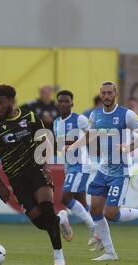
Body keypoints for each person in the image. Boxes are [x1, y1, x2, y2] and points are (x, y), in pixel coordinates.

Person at [0, 84, 72, 265]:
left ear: (11, 101)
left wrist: (45, 165)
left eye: (1, 103)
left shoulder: (29, 117)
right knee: (41, 222)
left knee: (47, 207)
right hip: (15, 178)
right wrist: (0, 184)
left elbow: (44, 139)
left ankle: (59, 258)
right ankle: (61, 218)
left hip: (36, 169)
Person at [67, 81, 138, 261]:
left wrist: (129, 146)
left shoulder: (127, 114)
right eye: (103, 93)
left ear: (115, 94)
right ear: (100, 95)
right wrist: (73, 146)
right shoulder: (96, 114)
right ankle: (110, 253)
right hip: (104, 168)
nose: (106, 96)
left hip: (121, 170)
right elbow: (89, 136)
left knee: (111, 213)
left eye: (109, 93)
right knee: (95, 210)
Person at [53, 90, 96, 247]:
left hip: (81, 165)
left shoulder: (80, 119)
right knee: (82, 202)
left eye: (66, 101)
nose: (63, 104)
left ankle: (93, 227)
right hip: (69, 166)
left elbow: (92, 135)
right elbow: (59, 145)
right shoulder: (57, 122)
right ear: (57, 104)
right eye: (61, 101)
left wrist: (75, 145)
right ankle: (102, 232)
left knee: (65, 198)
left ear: (72, 103)